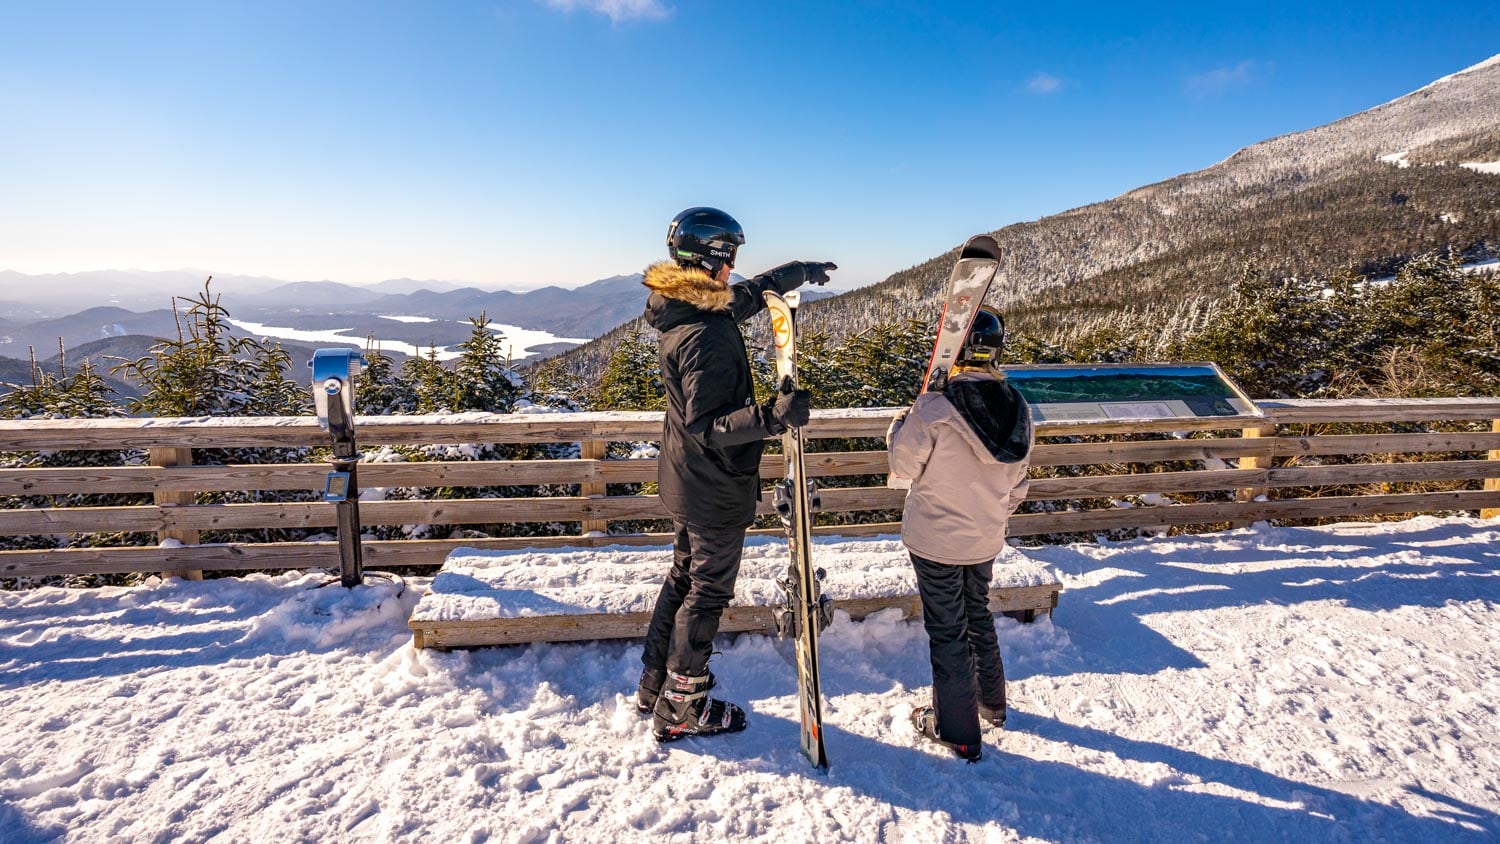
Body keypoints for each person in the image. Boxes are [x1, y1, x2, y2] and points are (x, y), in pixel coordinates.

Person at [637, 206, 837, 743]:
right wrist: (774, 416)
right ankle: (681, 708)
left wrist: (794, 272)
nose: (734, 270)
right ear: (711, 259)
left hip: (686, 476)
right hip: (713, 485)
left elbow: (745, 300)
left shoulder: (687, 307)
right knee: (706, 594)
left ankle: (653, 686)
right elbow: (709, 425)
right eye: (730, 259)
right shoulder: (705, 335)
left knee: (683, 578)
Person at [885, 306, 1033, 762]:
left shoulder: (934, 407)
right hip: (985, 536)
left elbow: (902, 467)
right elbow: (1018, 486)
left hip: (936, 539)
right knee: (978, 614)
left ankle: (958, 730)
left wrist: (897, 429)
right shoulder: (1018, 407)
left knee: (948, 629)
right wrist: (990, 514)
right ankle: (991, 703)